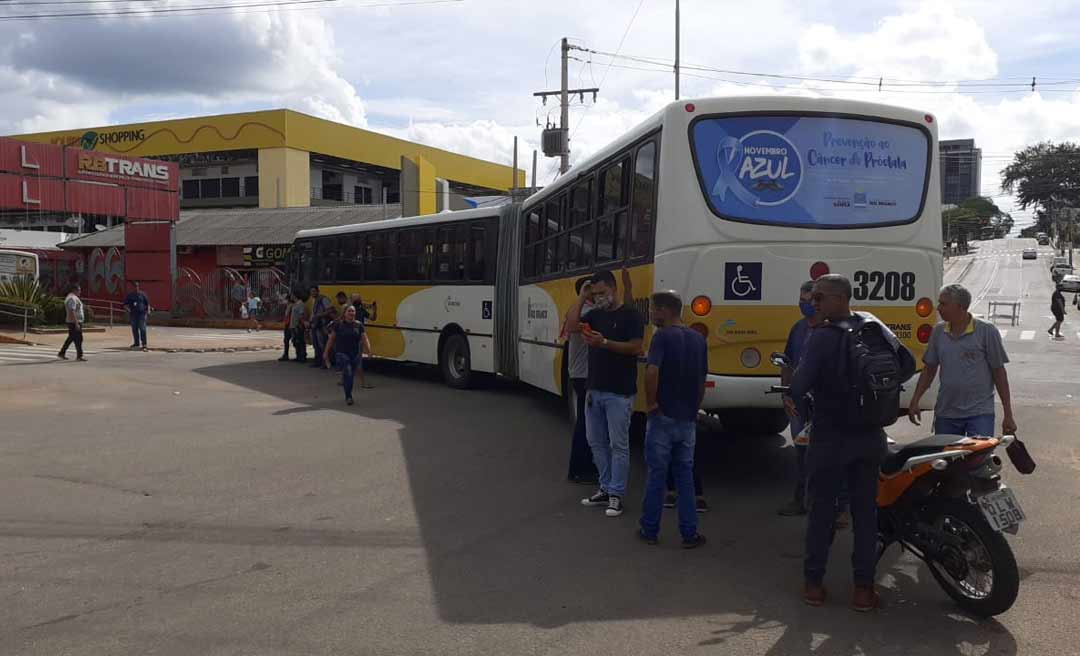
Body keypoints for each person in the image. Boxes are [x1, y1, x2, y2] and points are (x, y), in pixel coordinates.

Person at [789, 274, 911, 612]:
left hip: (830, 437)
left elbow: (799, 386)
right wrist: (873, 396)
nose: (813, 304)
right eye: (813, 298)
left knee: (822, 512)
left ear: (841, 298)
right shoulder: (874, 325)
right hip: (870, 435)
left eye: (820, 298)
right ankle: (863, 591)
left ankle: (814, 585)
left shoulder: (822, 337)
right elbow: (907, 365)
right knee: (865, 515)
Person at [570, 269, 644, 518]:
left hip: (620, 392)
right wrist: (582, 297)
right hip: (594, 389)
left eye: (603, 292)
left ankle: (617, 495)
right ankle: (604, 487)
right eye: (596, 293)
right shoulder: (595, 314)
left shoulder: (631, 315)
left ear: (614, 288)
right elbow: (571, 326)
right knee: (595, 442)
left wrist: (605, 343)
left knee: (618, 445)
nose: (599, 297)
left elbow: (636, 347)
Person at [638, 291, 708, 549]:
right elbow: (702, 379)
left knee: (657, 475)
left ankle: (649, 529)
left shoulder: (662, 337)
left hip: (663, 416)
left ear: (666, 310)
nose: (651, 314)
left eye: (654, 309)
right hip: (687, 418)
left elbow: (652, 372)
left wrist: (651, 403)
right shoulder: (698, 339)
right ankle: (689, 533)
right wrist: (695, 407)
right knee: (685, 476)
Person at [908, 283, 1017, 437]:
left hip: (979, 413)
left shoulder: (986, 331)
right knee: (946, 460)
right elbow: (929, 369)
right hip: (947, 413)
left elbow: (999, 373)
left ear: (960, 307)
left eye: (944, 304)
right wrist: (915, 399)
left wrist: (1008, 414)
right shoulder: (938, 332)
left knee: (978, 459)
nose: (938, 308)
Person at [777, 280, 824, 517]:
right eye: (801, 300)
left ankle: (837, 508)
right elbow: (787, 364)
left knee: (829, 456)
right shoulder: (798, 329)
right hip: (799, 405)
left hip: (826, 406)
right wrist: (786, 395)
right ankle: (801, 500)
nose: (804, 305)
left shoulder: (832, 330)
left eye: (808, 301)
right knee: (802, 453)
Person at [562, 276, 600, 485]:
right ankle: (578, 469)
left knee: (588, 423)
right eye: (591, 289)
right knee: (585, 424)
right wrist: (583, 296)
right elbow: (571, 324)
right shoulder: (583, 310)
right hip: (582, 374)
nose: (595, 292)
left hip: (584, 374)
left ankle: (585, 465)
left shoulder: (589, 309)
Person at [324, 305, 371, 405]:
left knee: (349, 376)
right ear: (344, 313)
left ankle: (348, 393)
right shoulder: (338, 325)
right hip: (341, 353)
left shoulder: (359, 325)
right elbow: (331, 339)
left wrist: (369, 350)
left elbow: (364, 338)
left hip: (354, 354)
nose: (351, 313)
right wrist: (326, 353)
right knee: (348, 371)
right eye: (349, 311)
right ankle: (349, 397)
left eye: (353, 311)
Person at [57, 284, 86, 361]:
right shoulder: (72, 298)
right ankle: (79, 356)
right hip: (74, 322)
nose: (80, 292)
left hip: (73, 321)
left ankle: (62, 353)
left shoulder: (72, 297)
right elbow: (72, 311)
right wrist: (76, 323)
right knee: (79, 339)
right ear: (74, 290)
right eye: (79, 290)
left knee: (71, 338)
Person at [308, 286, 332, 369]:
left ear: (318, 291)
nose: (312, 293)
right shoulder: (314, 300)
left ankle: (325, 362)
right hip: (315, 325)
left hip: (322, 325)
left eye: (314, 291)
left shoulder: (323, 299)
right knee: (316, 344)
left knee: (322, 344)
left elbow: (329, 310)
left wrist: (319, 315)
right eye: (311, 292)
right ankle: (317, 361)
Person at [123, 280, 151, 351]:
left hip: (142, 314)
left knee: (142, 329)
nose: (136, 287)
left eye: (137, 286)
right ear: (132, 287)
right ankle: (136, 343)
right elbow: (125, 305)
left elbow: (147, 304)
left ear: (139, 287)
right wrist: (128, 310)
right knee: (134, 329)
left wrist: (148, 311)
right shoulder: (130, 295)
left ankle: (144, 344)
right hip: (133, 315)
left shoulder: (143, 294)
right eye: (135, 286)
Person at [290, 292, 308, 363]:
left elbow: (301, 315)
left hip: (298, 325)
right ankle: (298, 356)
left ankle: (302, 356)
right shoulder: (295, 304)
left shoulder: (300, 304)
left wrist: (300, 324)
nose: (291, 296)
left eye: (292, 295)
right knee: (295, 341)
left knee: (300, 341)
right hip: (293, 325)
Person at [279, 293, 294, 362]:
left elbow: (287, 314)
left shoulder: (291, 305)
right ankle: (286, 354)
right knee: (287, 340)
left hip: (290, 324)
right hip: (288, 324)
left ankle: (286, 354)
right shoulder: (291, 305)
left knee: (287, 340)